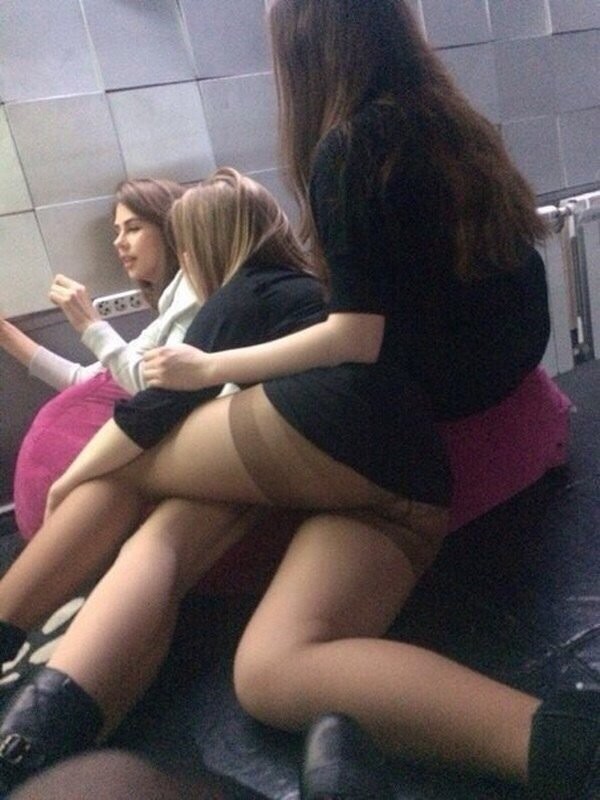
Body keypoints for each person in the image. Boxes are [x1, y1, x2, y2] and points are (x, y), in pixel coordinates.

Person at [0, 1, 595, 796]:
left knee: (132, 477)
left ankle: (16, 664)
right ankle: (562, 742)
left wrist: (81, 473)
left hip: (356, 424)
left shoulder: (326, 182)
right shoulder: (456, 134)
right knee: (271, 671)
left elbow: (151, 416)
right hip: (413, 476)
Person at [0, 167, 326, 793]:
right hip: (259, 447)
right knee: (158, 551)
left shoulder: (237, 296)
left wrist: (73, 477)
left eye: (136, 229)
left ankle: (26, 746)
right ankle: (29, 752)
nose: (122, 243)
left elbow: (156, 405)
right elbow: (117, 385)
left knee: (135, 505)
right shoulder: (246, 292)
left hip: (277, 448)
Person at [1, 178, 200, 538]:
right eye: (116, 231)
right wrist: (6, 334)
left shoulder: (196, 295)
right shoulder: (168, 311)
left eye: (133, 228)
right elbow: (90, 379)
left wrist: (90, 324)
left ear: (172, 229)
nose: (119, 242)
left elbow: (151, 389)